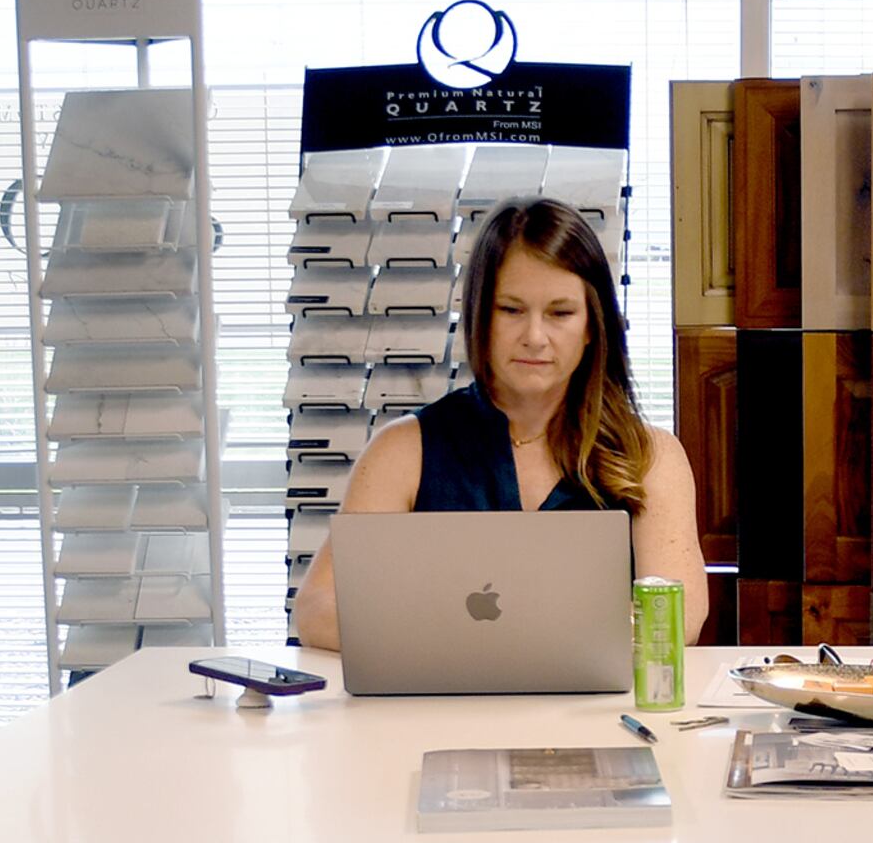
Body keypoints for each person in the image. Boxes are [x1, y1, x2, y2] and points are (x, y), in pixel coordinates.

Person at [290, 197, 707, 652]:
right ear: (479, 317)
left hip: (594, 719)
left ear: (592, 325)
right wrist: (486, 642)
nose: (534, 336)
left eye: (560, 313)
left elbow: (677, 619)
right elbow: (317, 610)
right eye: (510, 310)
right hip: (438, 713)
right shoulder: (402, 451)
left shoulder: (650, 457)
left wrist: (500, 639)